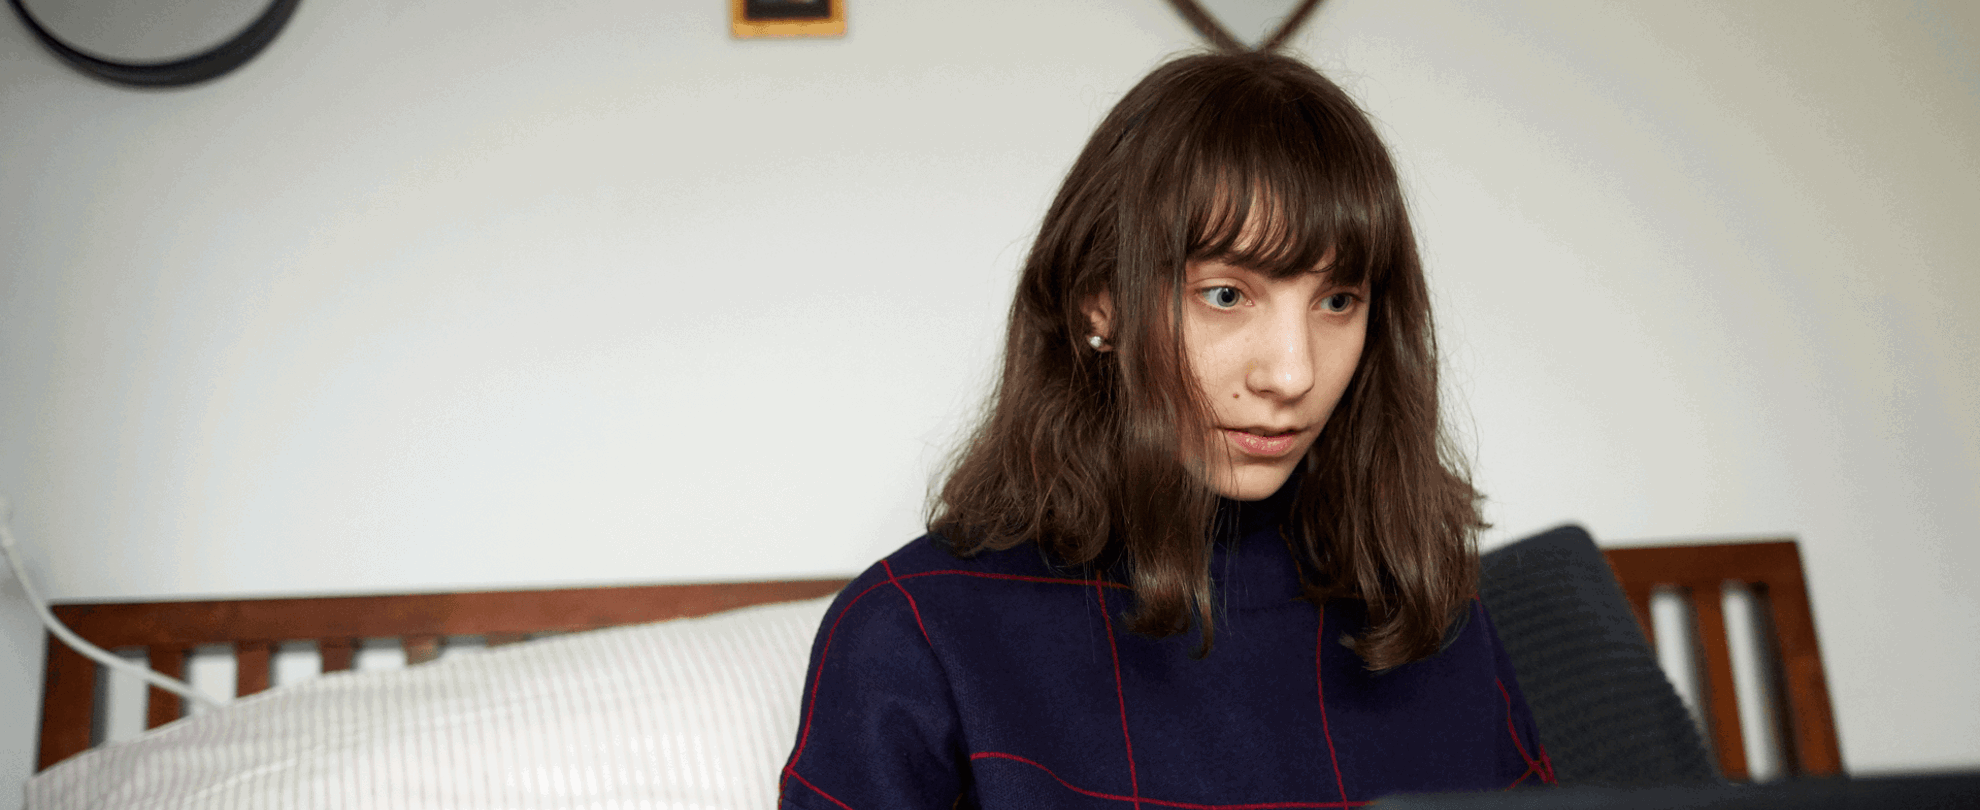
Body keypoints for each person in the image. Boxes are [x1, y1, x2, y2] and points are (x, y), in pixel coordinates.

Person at [779, 51, 1554, 809]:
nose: (1291, 375)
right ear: (1099, 305)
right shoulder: (915, 629)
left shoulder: (1427, 606)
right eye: (1226, 295)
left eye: (1338, 301)